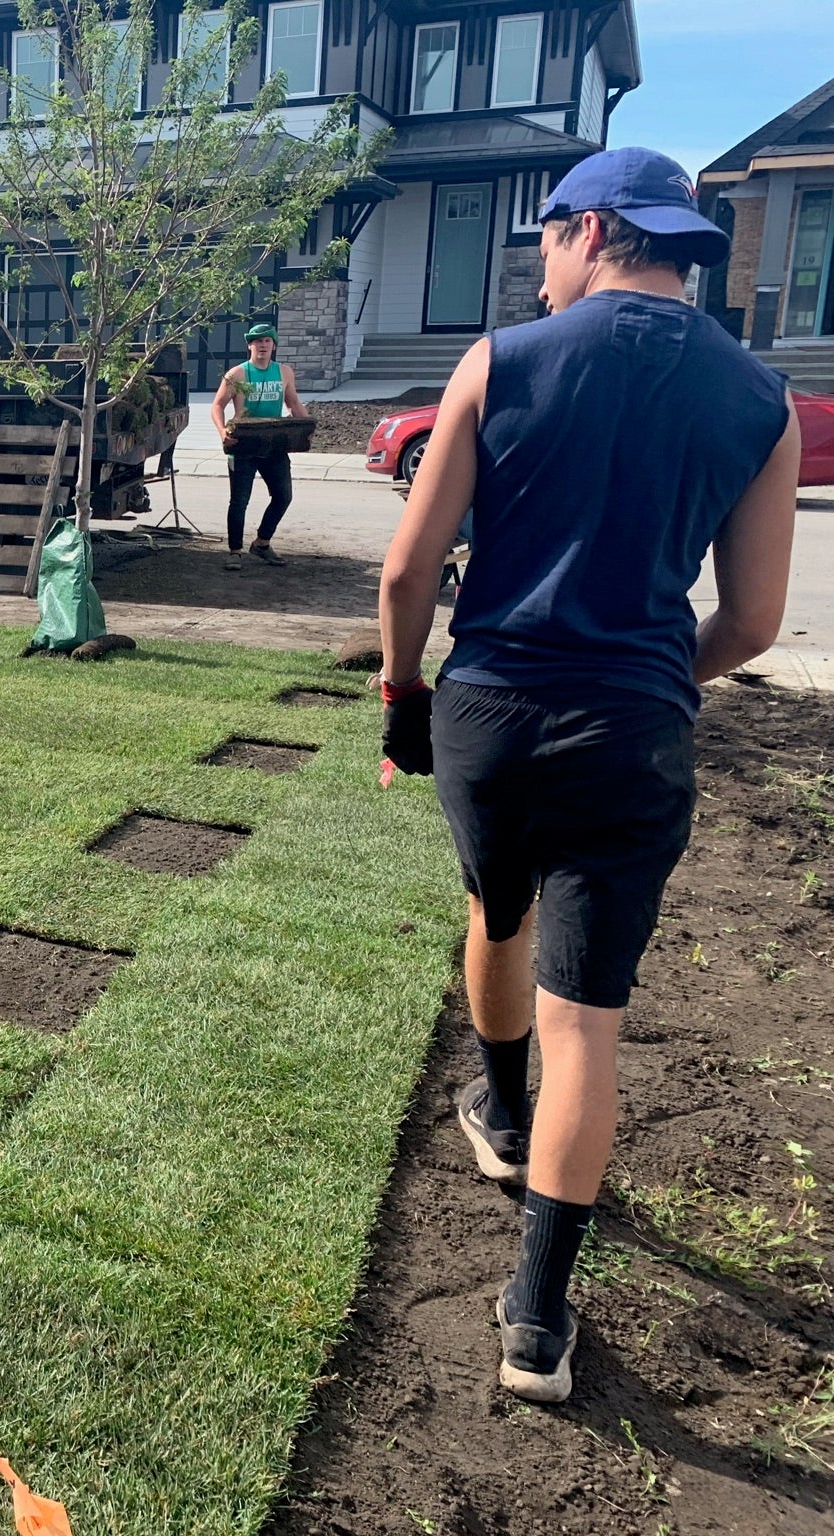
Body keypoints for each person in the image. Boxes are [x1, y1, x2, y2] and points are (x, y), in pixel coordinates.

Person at [377, 147, 800, 1404]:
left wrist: (406, 703)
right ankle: (537, 1322)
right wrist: (663, 683)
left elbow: (406, 576)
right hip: (637, 731)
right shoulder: (761, 398)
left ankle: (499, 1114)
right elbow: (756, 621)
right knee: (591, 1023)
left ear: (595, 229)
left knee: (492, 912)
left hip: (494, 714)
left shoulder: (501, 360)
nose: (541, 263)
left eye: (549, 235)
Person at [212, 321, 310, 571]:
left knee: (283, 496)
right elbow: (217, 405)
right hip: (242, 443)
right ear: (249, 345)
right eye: (257, 341)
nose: (262, 345)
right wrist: (222, 431)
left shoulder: (284, 372)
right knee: (239, 501)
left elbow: (294, 404)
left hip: (274, 444)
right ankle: (235, 551)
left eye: (267, 340)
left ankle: (262, 543)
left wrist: (307, 426)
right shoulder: (237, 374)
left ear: (273, 345)